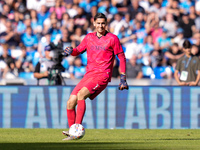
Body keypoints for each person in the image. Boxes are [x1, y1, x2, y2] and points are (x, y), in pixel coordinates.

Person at [62, 13, 128, 141]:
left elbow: (121, 56)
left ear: (106, 24)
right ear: (94, 23)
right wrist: (71, 51)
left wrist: (123, 77)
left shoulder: (112, 38)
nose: (100, 26)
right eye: (98, 23)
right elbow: (78, 50)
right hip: (89, 75)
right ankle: (72, 132)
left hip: (102, 75)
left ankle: (77, 129)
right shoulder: (89, 37)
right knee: (70, 103)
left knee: (81, 95)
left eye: (103, 23)